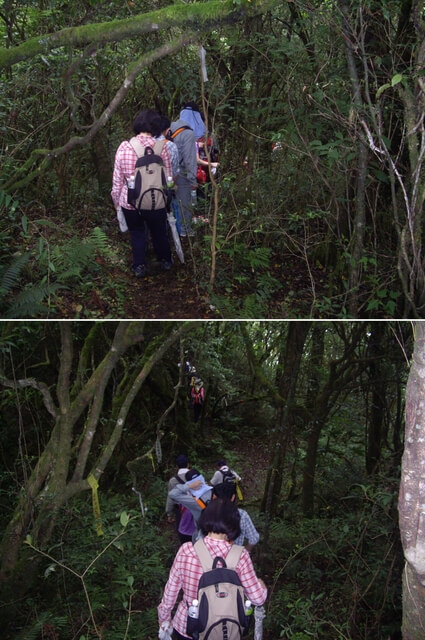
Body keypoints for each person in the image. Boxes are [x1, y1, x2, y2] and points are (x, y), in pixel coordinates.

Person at [158, 498, 267, 640]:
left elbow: (170, 593)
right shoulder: (241, 556)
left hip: (188, 626)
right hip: (225, 629)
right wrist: (261, 584)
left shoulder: (186, 550)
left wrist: (164, 619)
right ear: (233, 523)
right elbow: (258, 599)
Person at [111, 108, 173, 278]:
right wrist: (167, 197)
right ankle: (165, 261)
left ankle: (139, 265)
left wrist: (117, 202)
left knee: (137, 233)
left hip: (131, 201)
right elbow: (168, 177)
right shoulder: (162, 147)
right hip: (157, 199)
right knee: (159, 231)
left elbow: (117, 181)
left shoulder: (124, 147)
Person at [169, 114, 198, 237]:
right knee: (184, 202)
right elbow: (189, 159)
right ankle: (185, 230)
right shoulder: (188, 134)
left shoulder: (170, 128)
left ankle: (173, 229)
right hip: (182, 174)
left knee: (172, 202)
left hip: (168, 173)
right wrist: (192, 179)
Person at [212, 483, 259, 552]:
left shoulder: (209, 513)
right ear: (233, 497)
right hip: (233, 556)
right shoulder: (242, 515)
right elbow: (254, 538)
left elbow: (200, 537)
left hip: (211, 556)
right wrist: (244, 552)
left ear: (214, 497)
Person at [165, 454, 196, 545]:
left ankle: (185, 550)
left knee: (182, 530)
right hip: (195, 507)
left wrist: (169, 513)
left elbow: (170, 498)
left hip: (180, 511)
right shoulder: (195, 476)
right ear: (188, 464)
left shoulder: (173, 481)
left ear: (177, 466)